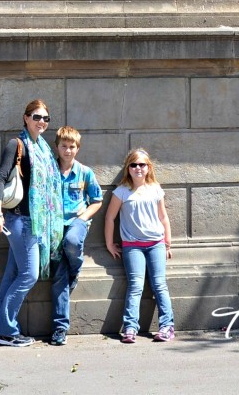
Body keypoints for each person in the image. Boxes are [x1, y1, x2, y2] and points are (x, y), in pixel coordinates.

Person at [0, 99, 63, 347]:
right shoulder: (17, 144)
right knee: (29, 275)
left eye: (45, 118)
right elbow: (0, 177)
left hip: (36, 221)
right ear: (25, 118)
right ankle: (6, 330)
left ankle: (2, 330)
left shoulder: (43, 149)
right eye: (36, 117)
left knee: (13, 275)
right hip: (20, 220)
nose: (41, 122)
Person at [104, 148, 174, 344]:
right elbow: (110, 218)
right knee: (135, 286)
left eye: (142, 164)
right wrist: (109, 243)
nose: (138, 168)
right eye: (133, 164)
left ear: (148, 167)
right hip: (132, 246)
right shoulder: (121, 192)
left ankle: (167, 326)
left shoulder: (155, 189)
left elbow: (163, 218)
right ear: (128, 168)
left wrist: (167, 244)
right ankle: (130, 328)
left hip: (156, 244)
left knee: (159, 285)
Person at [49, 126, 103, 346]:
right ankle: (60, 328)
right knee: (59, 277)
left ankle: (76, 268)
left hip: (77, 222)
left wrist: (82, 219)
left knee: (72, 242)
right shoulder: (49, 170)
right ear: (57, 147)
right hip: (54, 225)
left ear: (77, 148)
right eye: (64, 146)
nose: (68, 150)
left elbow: (97, 200)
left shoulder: (85, 172)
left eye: (72, 147)